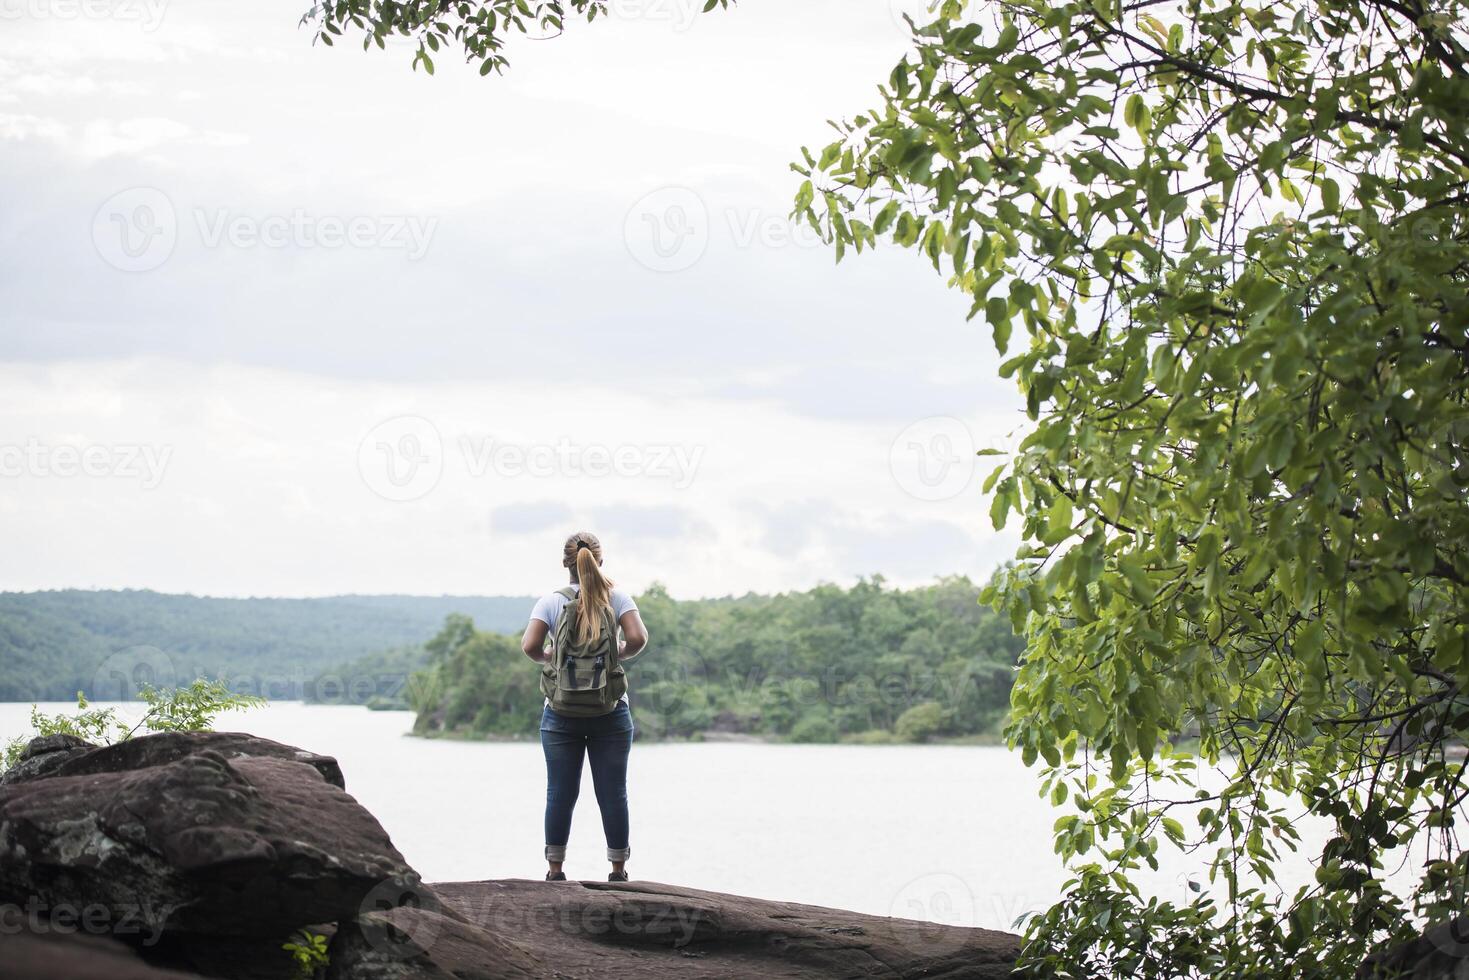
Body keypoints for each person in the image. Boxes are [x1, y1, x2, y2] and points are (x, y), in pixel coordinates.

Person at [520, 531, 649, 883]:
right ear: (599, 560)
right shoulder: (618, 597)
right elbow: (638, 639)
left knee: (560, 792)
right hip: (610, 711)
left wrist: (553, 657)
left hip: (560, 712)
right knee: (613, 791)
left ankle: (555, 870)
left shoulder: (550, 602)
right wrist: (614, 655)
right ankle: (618, 871)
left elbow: (530, 646)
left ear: (566, 565)